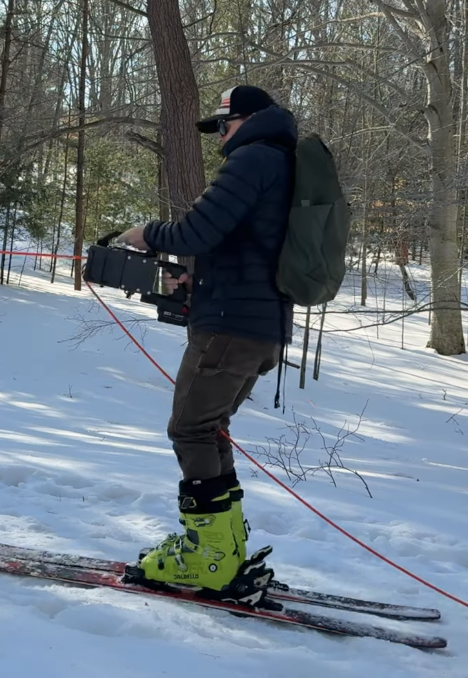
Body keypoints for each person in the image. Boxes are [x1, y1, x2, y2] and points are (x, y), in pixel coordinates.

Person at [116, 85, 295, 600]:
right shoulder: (282, 164)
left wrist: (146, 234)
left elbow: (197, 232)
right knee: (210, 429)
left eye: (224, 125)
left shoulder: (253, 159)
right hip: (259, 326)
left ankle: (208, 556)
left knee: (189, 430)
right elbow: (249, 250)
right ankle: (224, 549)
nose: (219, 137)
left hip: (230, 328)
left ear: (249, 120)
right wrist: (201, 282)